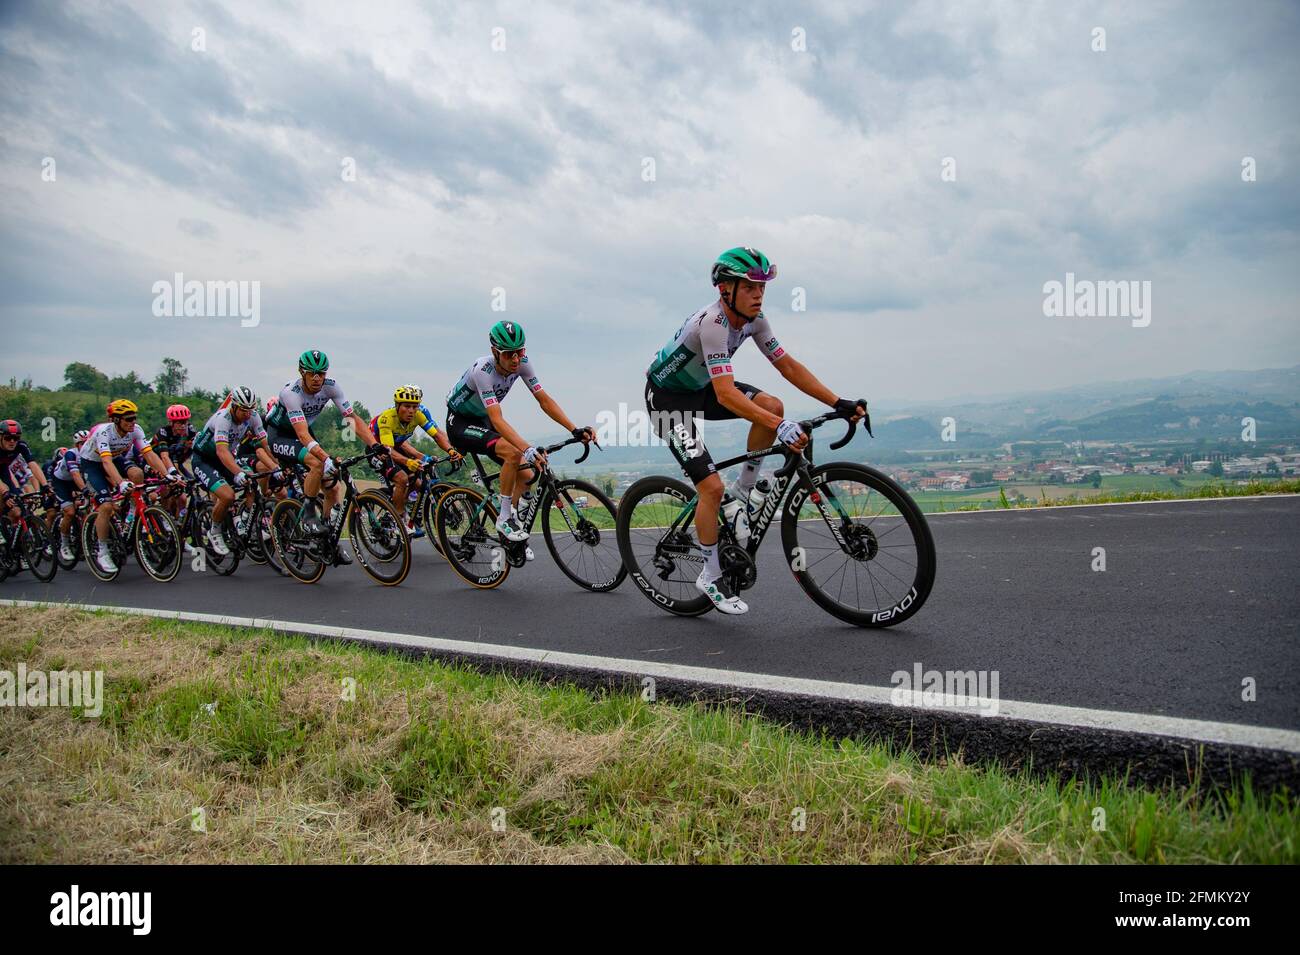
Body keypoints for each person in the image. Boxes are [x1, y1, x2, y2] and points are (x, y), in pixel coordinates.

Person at [644, 247, 865, 614]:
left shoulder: (755, 319)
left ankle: (744, 491)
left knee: (771, 405)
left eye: (762, 286)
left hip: (701, 391)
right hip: (668, 403)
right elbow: (727, 394)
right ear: (725, 290)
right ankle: (710, 574)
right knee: (710, 487)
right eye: (749, 287)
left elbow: (788, 366)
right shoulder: (712, 323)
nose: (758, 294)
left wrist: (836, 401)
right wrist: (780, 428)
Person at [445, 320, 593, 544]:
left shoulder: (522, 363)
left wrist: (574, 429)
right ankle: (504, 519)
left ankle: (511, 530)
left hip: (482, 419)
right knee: (513, 453)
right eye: (509, 354)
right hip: (460, 422)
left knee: (527, 474)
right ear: (495, 352)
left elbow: (544, 400)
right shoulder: (482, 371)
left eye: (520, 352)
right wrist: (527, 447)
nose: (515, 359)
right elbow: (497, 419)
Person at [263, 350, 388, 562]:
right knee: (318, 463)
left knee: (333, 486)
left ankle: (327, 537)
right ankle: (309, 513)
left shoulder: (331, 386)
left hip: (304, 432)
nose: (316, 378)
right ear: (302, 373)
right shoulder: (290, 393)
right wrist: (325, 458)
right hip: (280, 435)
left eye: (320, 373)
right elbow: (302, 435)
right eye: (311, 373)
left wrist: (375, 444)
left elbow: (351, 418)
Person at [78, 400, 176, 574]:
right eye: (128, 419)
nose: (132, 422)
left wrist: (167, 473)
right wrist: (120, 483)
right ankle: (102, 550)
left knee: (137, 474)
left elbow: (149, 454)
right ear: (116, 420)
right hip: (92, 464)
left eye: (134, 418)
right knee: (106, 506)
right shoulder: (104, 433)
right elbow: (106, 462)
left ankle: (132, 508)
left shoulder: (135, 430)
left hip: (114, 458)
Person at [368, 385, 462, 537]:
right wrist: (408, 462)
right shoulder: (387, 418)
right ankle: (398, 519)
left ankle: (401, 505)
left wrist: (451, 451)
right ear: (398, 406)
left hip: (397, 447)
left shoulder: (418, 415)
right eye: (407, 406)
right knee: (402, 479)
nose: (411, 410)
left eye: (414, 406)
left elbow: (437, 436)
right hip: (379, 451)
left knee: (418, 484)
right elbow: (389, 450)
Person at [191, 387, 271, 556]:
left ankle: (246, 521)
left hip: (223, 460)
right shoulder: (223, 419)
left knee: (251, 483)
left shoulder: (253, 417)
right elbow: (222, 451)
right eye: (243, 410)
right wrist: (237, 472)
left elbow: (266, 444)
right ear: (233, 406)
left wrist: (276, 466)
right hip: (204, 460)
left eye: (250, 410)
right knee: (227, 495)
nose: (247, 414)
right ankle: (215, 530)